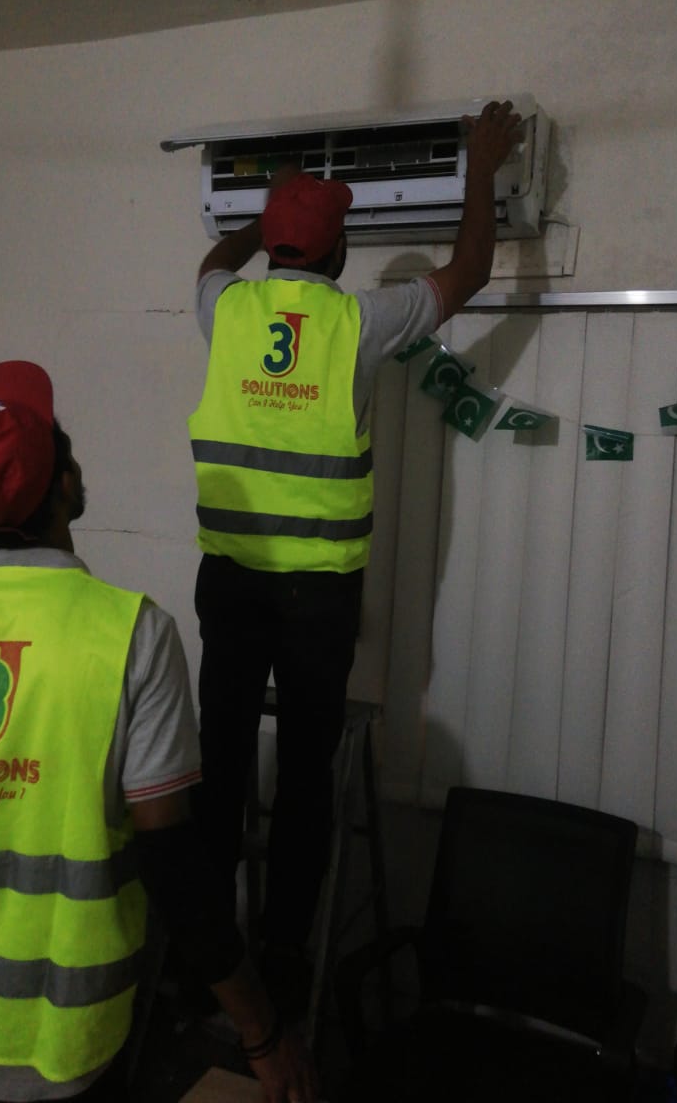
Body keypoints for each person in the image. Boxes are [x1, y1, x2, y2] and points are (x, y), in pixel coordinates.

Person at [0, 360, 316, 1103]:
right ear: (66, 484)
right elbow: (173, 861)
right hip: (54, 1047)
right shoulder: (132, 633)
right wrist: (261, 1032)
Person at [188, 99, 525, 1008]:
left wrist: (261, 219)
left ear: (273, 248)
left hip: (229, 585)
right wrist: (481, 163)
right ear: (337, 254)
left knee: (220, 764)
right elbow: (471, 273)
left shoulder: (224, 309)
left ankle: (203, 956)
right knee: (305, 778)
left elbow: (211, 265)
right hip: (316, 599)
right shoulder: (360, 323)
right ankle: (283, 956)